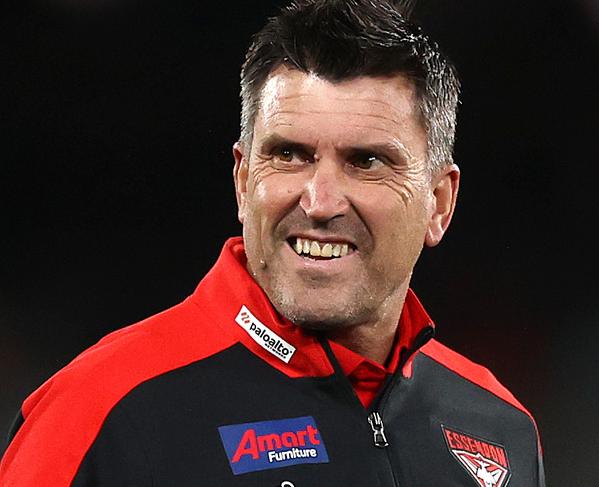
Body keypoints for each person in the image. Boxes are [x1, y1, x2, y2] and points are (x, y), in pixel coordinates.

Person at [0, 0, 545, 485]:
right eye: (289, 155)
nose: (320, 200)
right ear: (242, 181)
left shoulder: (499, 427)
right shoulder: (103, 409)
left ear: (439, 202)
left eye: (366, 161)